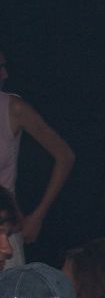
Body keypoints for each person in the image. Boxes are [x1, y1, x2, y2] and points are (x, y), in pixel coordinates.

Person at [0, 48, 75, 261]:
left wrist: (38, 215)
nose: (5, 74)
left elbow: (65, 156)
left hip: (4, 231)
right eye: (0, 67)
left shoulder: (13, 108)